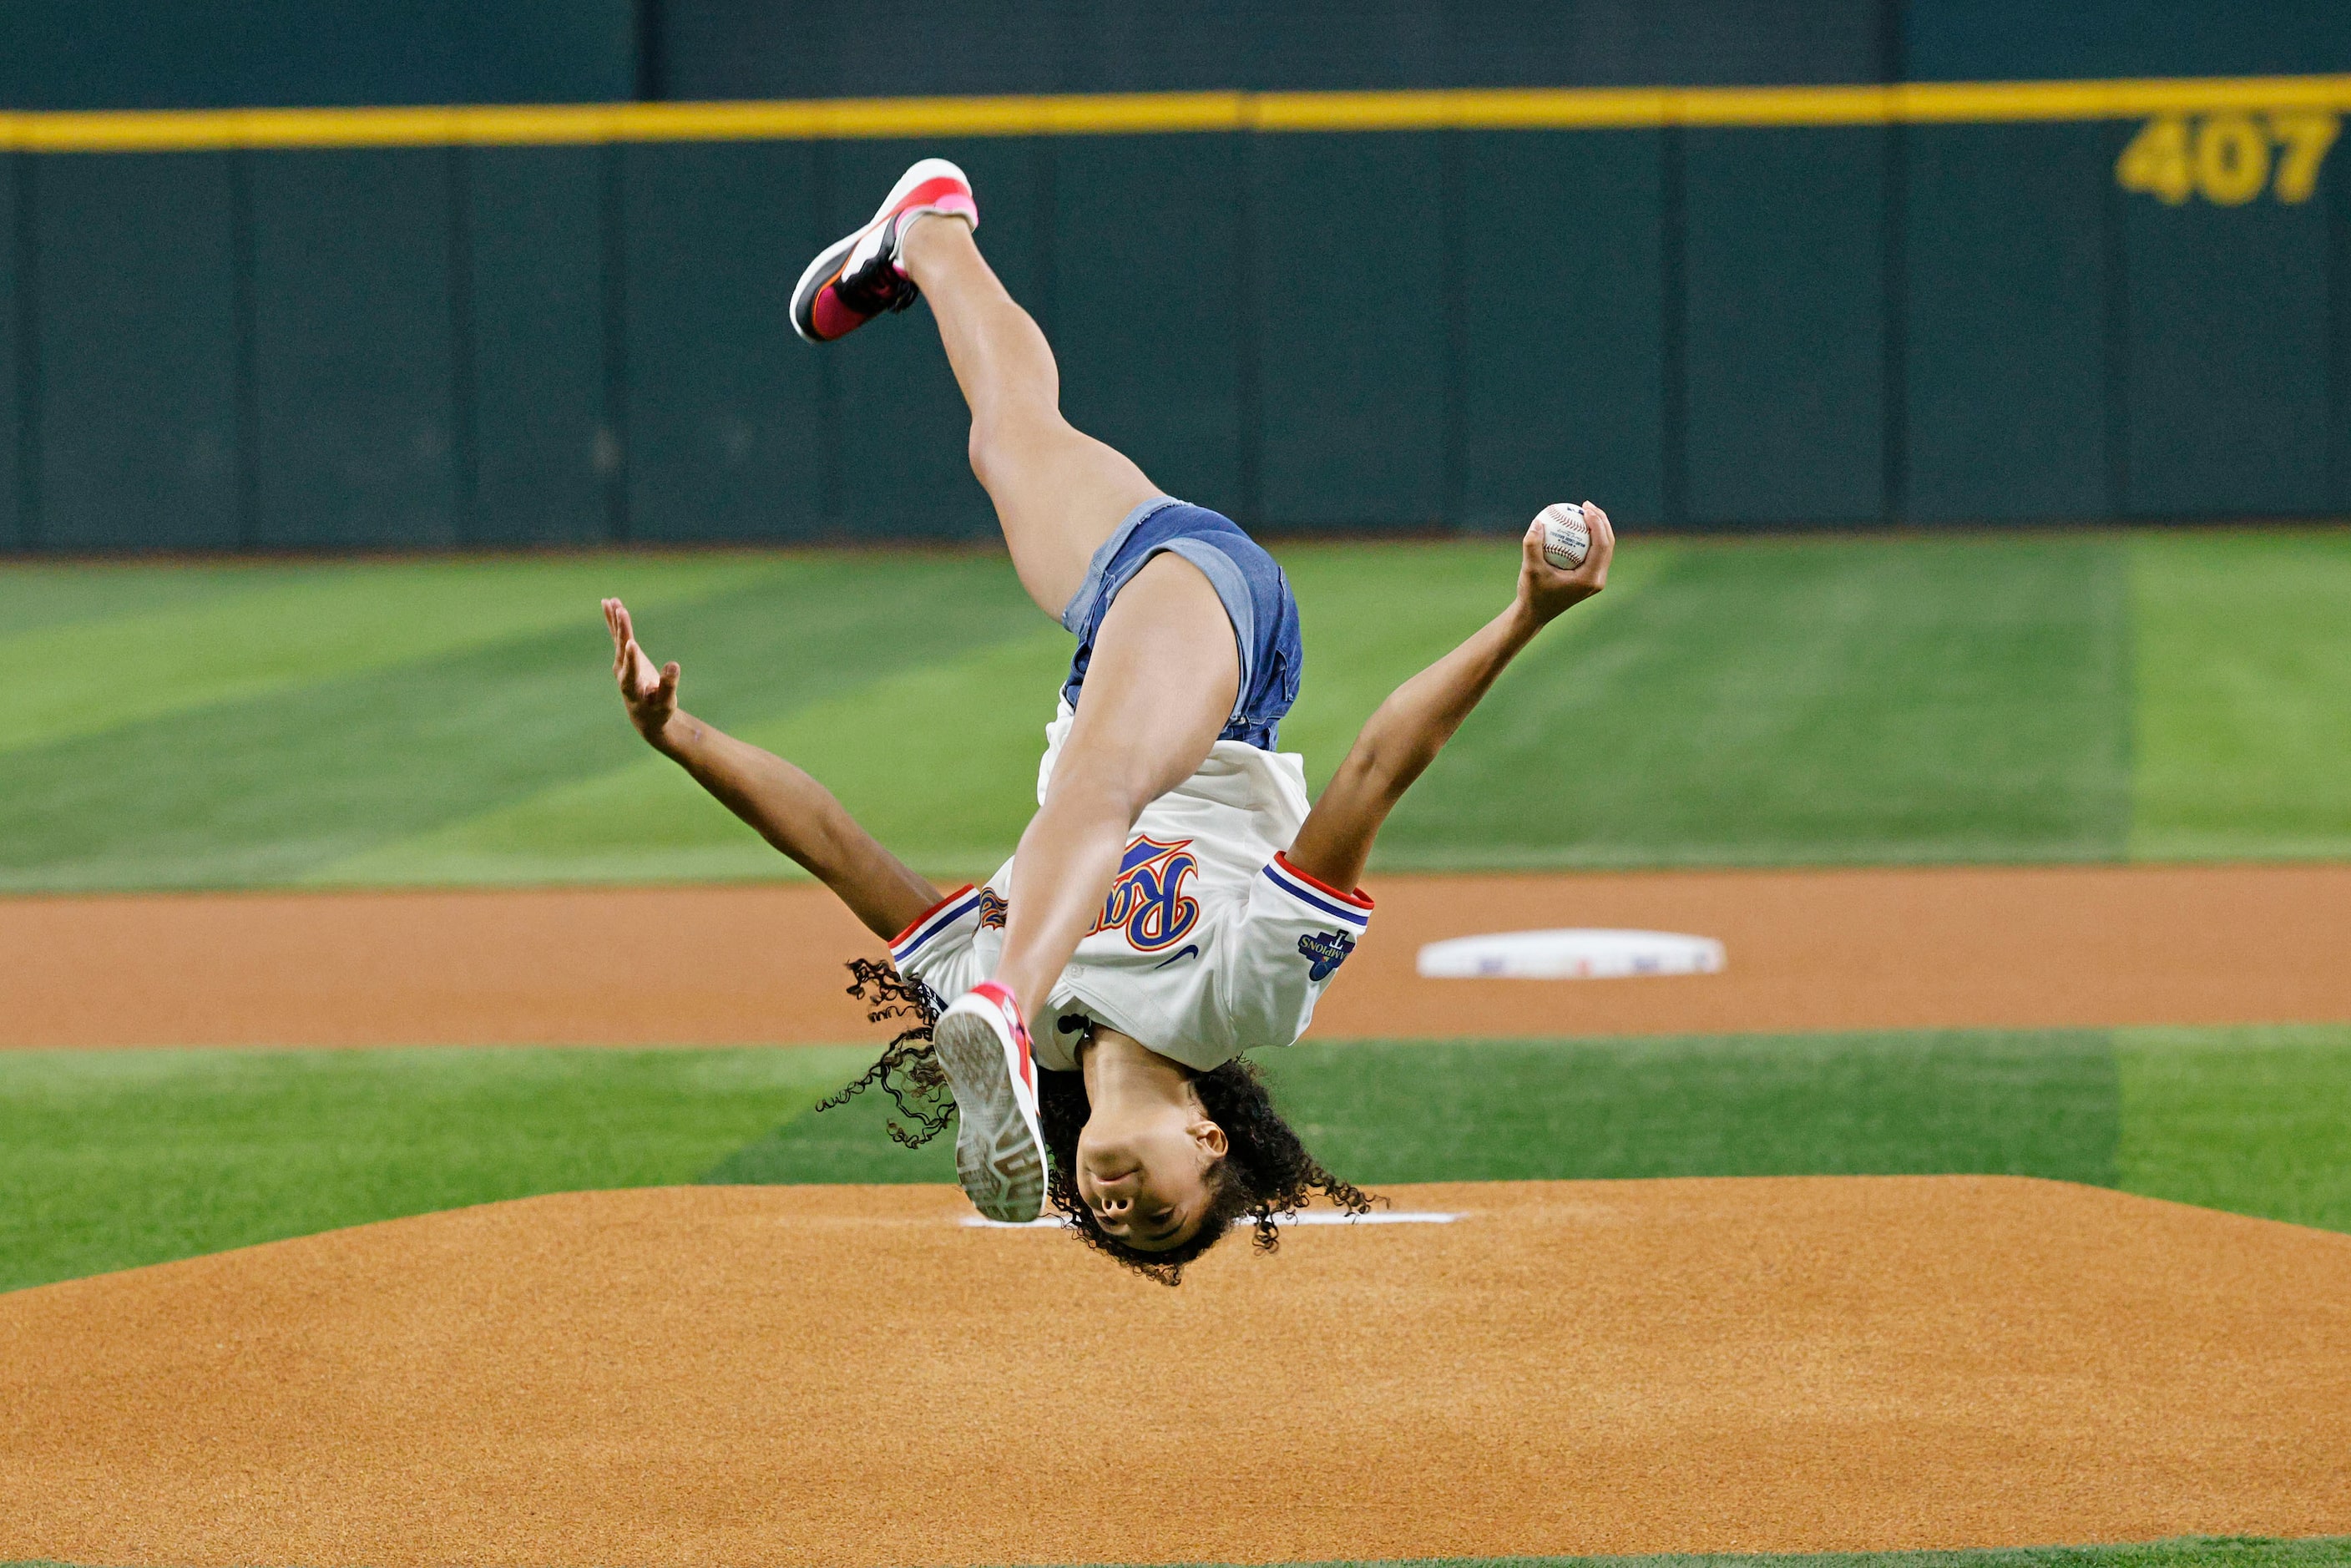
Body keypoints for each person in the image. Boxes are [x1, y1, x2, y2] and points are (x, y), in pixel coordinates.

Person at [602, 156, 1615, 1283]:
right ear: (1209, 1139)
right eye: (1171, 1214)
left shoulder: (1048, 1036)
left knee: (1008, 435)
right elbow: (1376, 770)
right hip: (1226, 651)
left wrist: (676, 738)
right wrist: (1523, 617)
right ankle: (998, 999)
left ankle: (929, 234)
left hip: (1115, 632)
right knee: (1098, 788)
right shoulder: (1246, 995)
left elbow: (838, 848)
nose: (1126, 1211)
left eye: (1114, 1225)